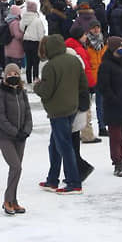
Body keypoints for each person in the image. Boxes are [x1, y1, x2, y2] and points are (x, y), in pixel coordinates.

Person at [34, 34, 88, 195]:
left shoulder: (50, 66)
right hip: (72, 108)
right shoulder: (74, 61)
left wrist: (37, 86)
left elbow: (46, 91)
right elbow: (83, 84)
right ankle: (52, 180)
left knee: (64, 146)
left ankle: (74, 182)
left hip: (58, 111)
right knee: (55, 145)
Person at [0, 63, 32, 215]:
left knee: (16, 169)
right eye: (10, 74)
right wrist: (15, 132)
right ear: (5, 76)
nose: (13, 76)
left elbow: (28, 114)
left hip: (20, 136)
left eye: (16, 74)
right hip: (5, 136)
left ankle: (13, 200)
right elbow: (0, 118)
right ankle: (7, 200)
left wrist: (26, 130)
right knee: (16, 167)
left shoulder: (22, 93)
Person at [97, 37, 122, 177]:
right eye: (120, 47)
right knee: (116, 137)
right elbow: (103, 87)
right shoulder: (106, 65)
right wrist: (113, 99)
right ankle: (117, 163)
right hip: (113, 106)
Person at [20, 1, 46, 84]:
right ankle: (35, 79)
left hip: (26, 43)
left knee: (29, 62)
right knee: (35, 63)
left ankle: (29, 80)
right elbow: (41, 34)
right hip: (35, 44)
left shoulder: (24, 18)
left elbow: (21, 29)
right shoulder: (37, 20)